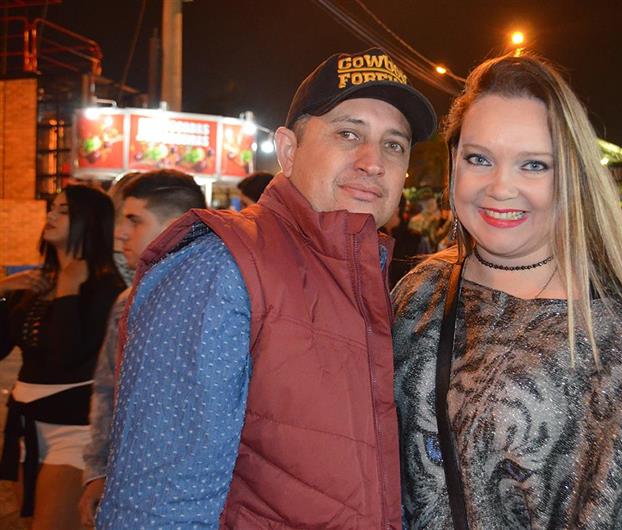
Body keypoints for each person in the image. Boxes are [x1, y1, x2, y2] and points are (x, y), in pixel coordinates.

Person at [96, 47, 436, 528]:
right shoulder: (221, 267)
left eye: (394, 145)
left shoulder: (364, 279)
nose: (373, 162)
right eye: (348, 134)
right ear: (288, 151)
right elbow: (158, 507)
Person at [392, 52, 622, 529]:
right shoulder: (418, 293)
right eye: (479, 158)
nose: (500, 187)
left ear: (570, 177)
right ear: (454, 162)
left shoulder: (618, 340)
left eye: (533, 165)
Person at [78, 170, 206, 527]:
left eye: (134, 220)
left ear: (176, 225)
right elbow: (107, 389)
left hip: (199, 494)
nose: (120, 233)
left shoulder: (223, 295)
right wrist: (97, 470)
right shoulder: (127, 302)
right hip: (132, 486)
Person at [0, 185, 125, 529]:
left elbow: (65, 356)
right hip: (26, 424)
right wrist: (4, 289)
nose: (51, 216)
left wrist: (69, 290)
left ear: (91, 221)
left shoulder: (107, 290)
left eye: (64, 211)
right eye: (52, 208)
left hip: (74, 430)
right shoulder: (36, 283)